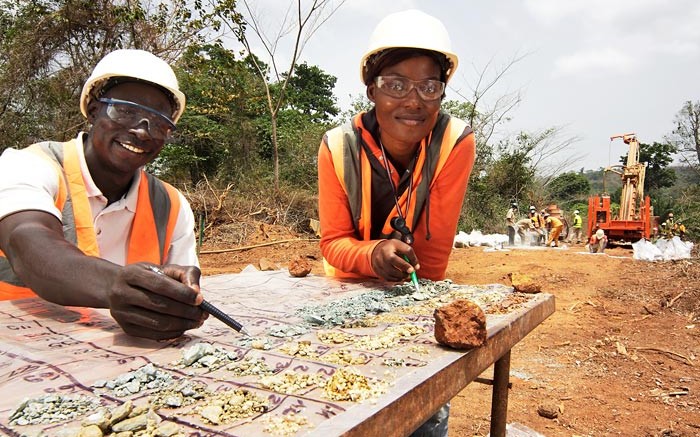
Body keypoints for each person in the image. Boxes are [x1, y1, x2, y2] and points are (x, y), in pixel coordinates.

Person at [317, 10, 475, 436]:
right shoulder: (337, 147)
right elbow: (333, 242)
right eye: (395, 84)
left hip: (416, 287)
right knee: (339, 398)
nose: (413, 100)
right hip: (346, 287)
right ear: (371, 89)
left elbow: (436, 256)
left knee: (418, 403)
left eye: (429, 86)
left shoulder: (453, 143)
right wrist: (372, 253)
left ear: (442, 93)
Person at [0, 49, 206, 340]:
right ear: (94, 109)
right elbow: (29, 243)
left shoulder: (171, 206)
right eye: (126, 111)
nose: (143, 132)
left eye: (159, 123)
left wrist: (180, 301)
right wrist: (114, 285)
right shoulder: (28, 166)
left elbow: (183, 282)